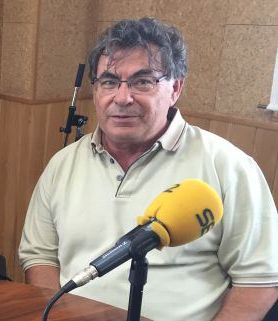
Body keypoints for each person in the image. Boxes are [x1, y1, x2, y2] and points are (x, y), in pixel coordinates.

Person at [18, 17, 278, 321]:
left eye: (143, 81)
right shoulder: (63, 164)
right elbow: (39, 256)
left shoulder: (229, 166)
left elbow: (259, 280)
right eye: (109, 81)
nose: (123, 97)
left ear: (176, 88)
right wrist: (58, 316)